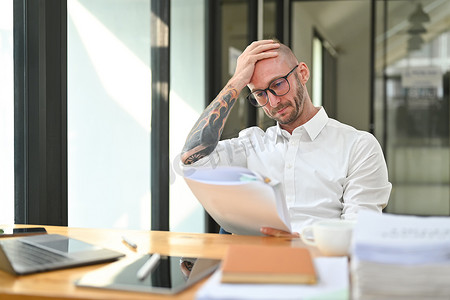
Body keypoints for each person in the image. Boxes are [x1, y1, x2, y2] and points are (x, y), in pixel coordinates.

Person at [180, 39, 391, 238]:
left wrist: (301, 241)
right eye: (260, 94)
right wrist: (235, 83)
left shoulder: (359, 146)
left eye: (278, 84)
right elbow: (192, 159)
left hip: (323, 268)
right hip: (256, 268)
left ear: (303, 73)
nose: (272, 102)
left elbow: (359, 233)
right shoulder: (251, 144)